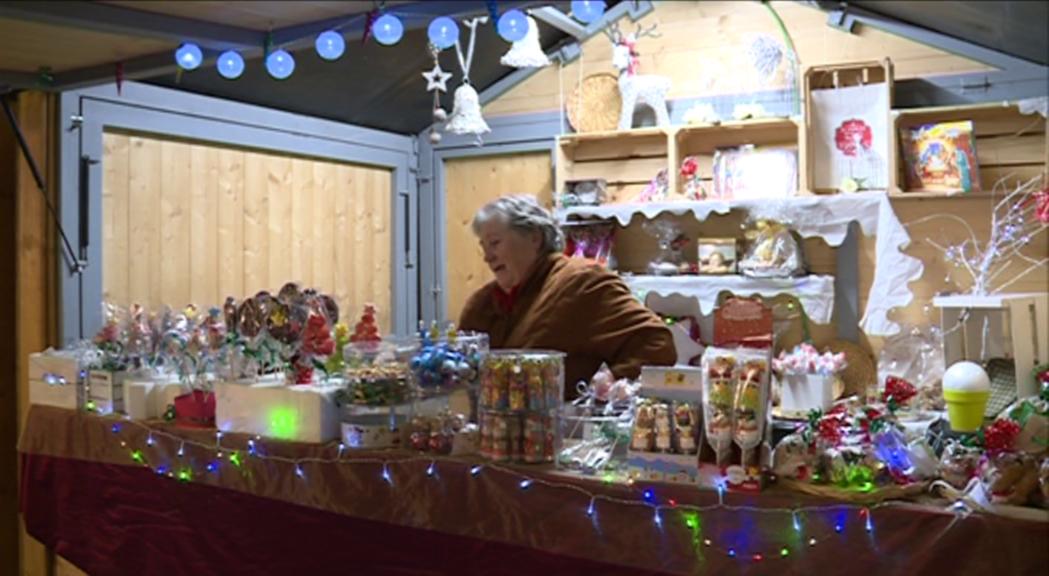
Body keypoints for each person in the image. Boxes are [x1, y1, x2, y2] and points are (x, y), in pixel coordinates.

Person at [459, 195, 676, 398]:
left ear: (534, 237)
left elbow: (656, 344)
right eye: (484, 247)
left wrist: (608, 381)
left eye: (495, 243)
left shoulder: (582, 282)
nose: (488, 257)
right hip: (494, 433)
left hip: (568, 432)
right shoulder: (481, 305)